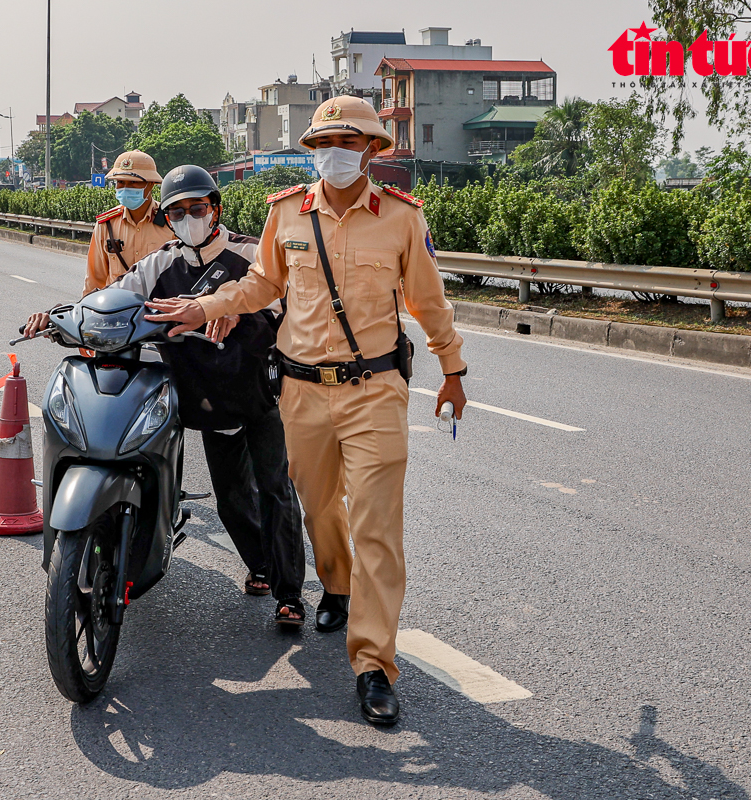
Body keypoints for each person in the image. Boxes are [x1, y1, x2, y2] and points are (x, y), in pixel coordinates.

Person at [145, 96, 468, 726]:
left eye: (350, 142)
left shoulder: (401, 220)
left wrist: (452, 369)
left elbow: (430, 303)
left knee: (376, 525)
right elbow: (263, 284)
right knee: (319, 508)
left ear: (373, 150)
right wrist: (204, 307)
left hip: (375, 389)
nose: (336, 153)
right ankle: (336, 585)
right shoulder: (287, 213)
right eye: (325, 142)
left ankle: (373, 663)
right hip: (300, 391)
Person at [25, 165, 307, 626]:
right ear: (169, 218)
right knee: (231, 495)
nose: (189, 217)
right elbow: (111, 298)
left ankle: (290, 594)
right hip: (201, 395)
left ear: (215, 209)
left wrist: (236, 315)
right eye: (178, 211)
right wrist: (57, 316)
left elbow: (281, 304)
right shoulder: (162, 262)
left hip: (255, 390)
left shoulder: (249, 254)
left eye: (198, 208)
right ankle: (261, 565)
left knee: (274, 488)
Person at [81, 150, 176, 296]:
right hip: (116, 309)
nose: (126, 188)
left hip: (160, 310)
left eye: (134, 182)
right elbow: (95, 279)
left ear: (150, 185)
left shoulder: (171, 221)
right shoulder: (106, 224)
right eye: (120, 182)